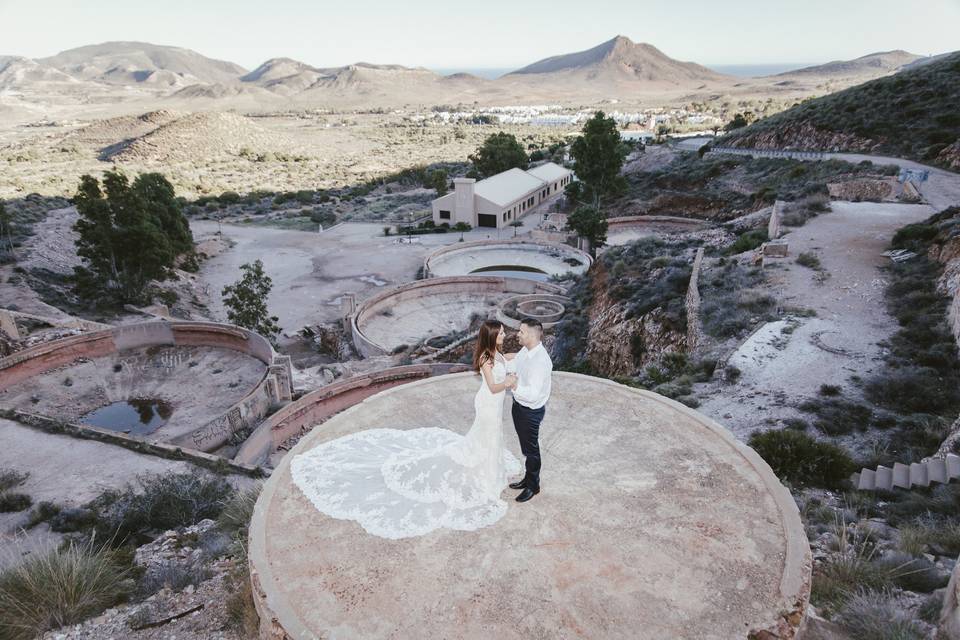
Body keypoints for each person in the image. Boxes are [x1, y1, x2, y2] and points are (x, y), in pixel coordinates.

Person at [289, 320, 522, 539]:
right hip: (488, 402)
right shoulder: (485, 359)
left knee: (491, 437)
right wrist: (509, 382)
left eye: (502, 331)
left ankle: (490, 471)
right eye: (501, 332)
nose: (504, 334)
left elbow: (508, 360)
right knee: (487, 435)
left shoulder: (497, 354)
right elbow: (492, 386)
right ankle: (484, 475)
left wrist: (524, 356)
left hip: (496, 404)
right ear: (492, 336)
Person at [504, 317, 552, 502]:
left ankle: (533, 486)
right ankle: (527, 479)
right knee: (526, 447)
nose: (518, 334)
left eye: (521, 331)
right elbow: (516, 363)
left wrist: (514, 386)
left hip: (530, 411)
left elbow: (532, 394)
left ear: (531, 335)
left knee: (531, 449)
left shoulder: (540, 362)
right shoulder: (526, 350)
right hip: (519, 407)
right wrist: (500, 364)